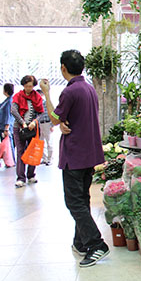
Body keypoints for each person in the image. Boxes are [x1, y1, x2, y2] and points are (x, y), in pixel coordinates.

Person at [40, 50, 109, 268]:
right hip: (89, 154)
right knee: (82, 198)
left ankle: (96, 244)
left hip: (75, 155)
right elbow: (73, 119)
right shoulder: (88, 88)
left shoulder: (69, 92)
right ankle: (81, 243)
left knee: (74, 202)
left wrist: (46, 93)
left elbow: (53, 118)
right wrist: (63, 123)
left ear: (63, 67)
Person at [11, 75, 44, 187]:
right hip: (19, 128)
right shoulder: (18, 96)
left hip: (32, 128)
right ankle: (20, 178)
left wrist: (34, 121)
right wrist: (22, 123)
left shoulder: (37, 97)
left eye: (30, 86)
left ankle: (31, 175)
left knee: (32, 150)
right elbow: (13, 110)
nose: (29, 88)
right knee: (20, 151)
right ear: (23, 85)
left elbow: (40, 112)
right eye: (26, 86)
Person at [37, 89, 54, 165]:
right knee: (41, 142)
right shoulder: (36, 104)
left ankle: (50, 159)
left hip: (47, 123)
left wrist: (52, 125)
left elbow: (52, 113)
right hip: (40, 124)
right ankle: (44, 158)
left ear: (42, 95)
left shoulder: (46, 103)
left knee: (49, 142)